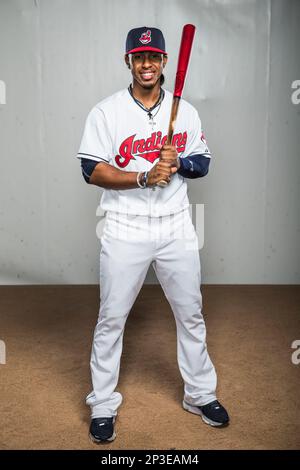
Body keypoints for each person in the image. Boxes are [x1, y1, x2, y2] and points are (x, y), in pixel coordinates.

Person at [77, 26, 229, 443]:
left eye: (154, 56)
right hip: (124, 227)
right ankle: (103, 403)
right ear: (127, 61)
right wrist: (145, 175)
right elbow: (92, 170)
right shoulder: (106, 112)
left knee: (191, 313)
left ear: (164, 62)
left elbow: (204, 161)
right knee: (111, 318)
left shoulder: (187, 111)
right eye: (139, 56)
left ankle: (199, 393)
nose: (147, 64)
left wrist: (179, 162)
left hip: (176, 225)